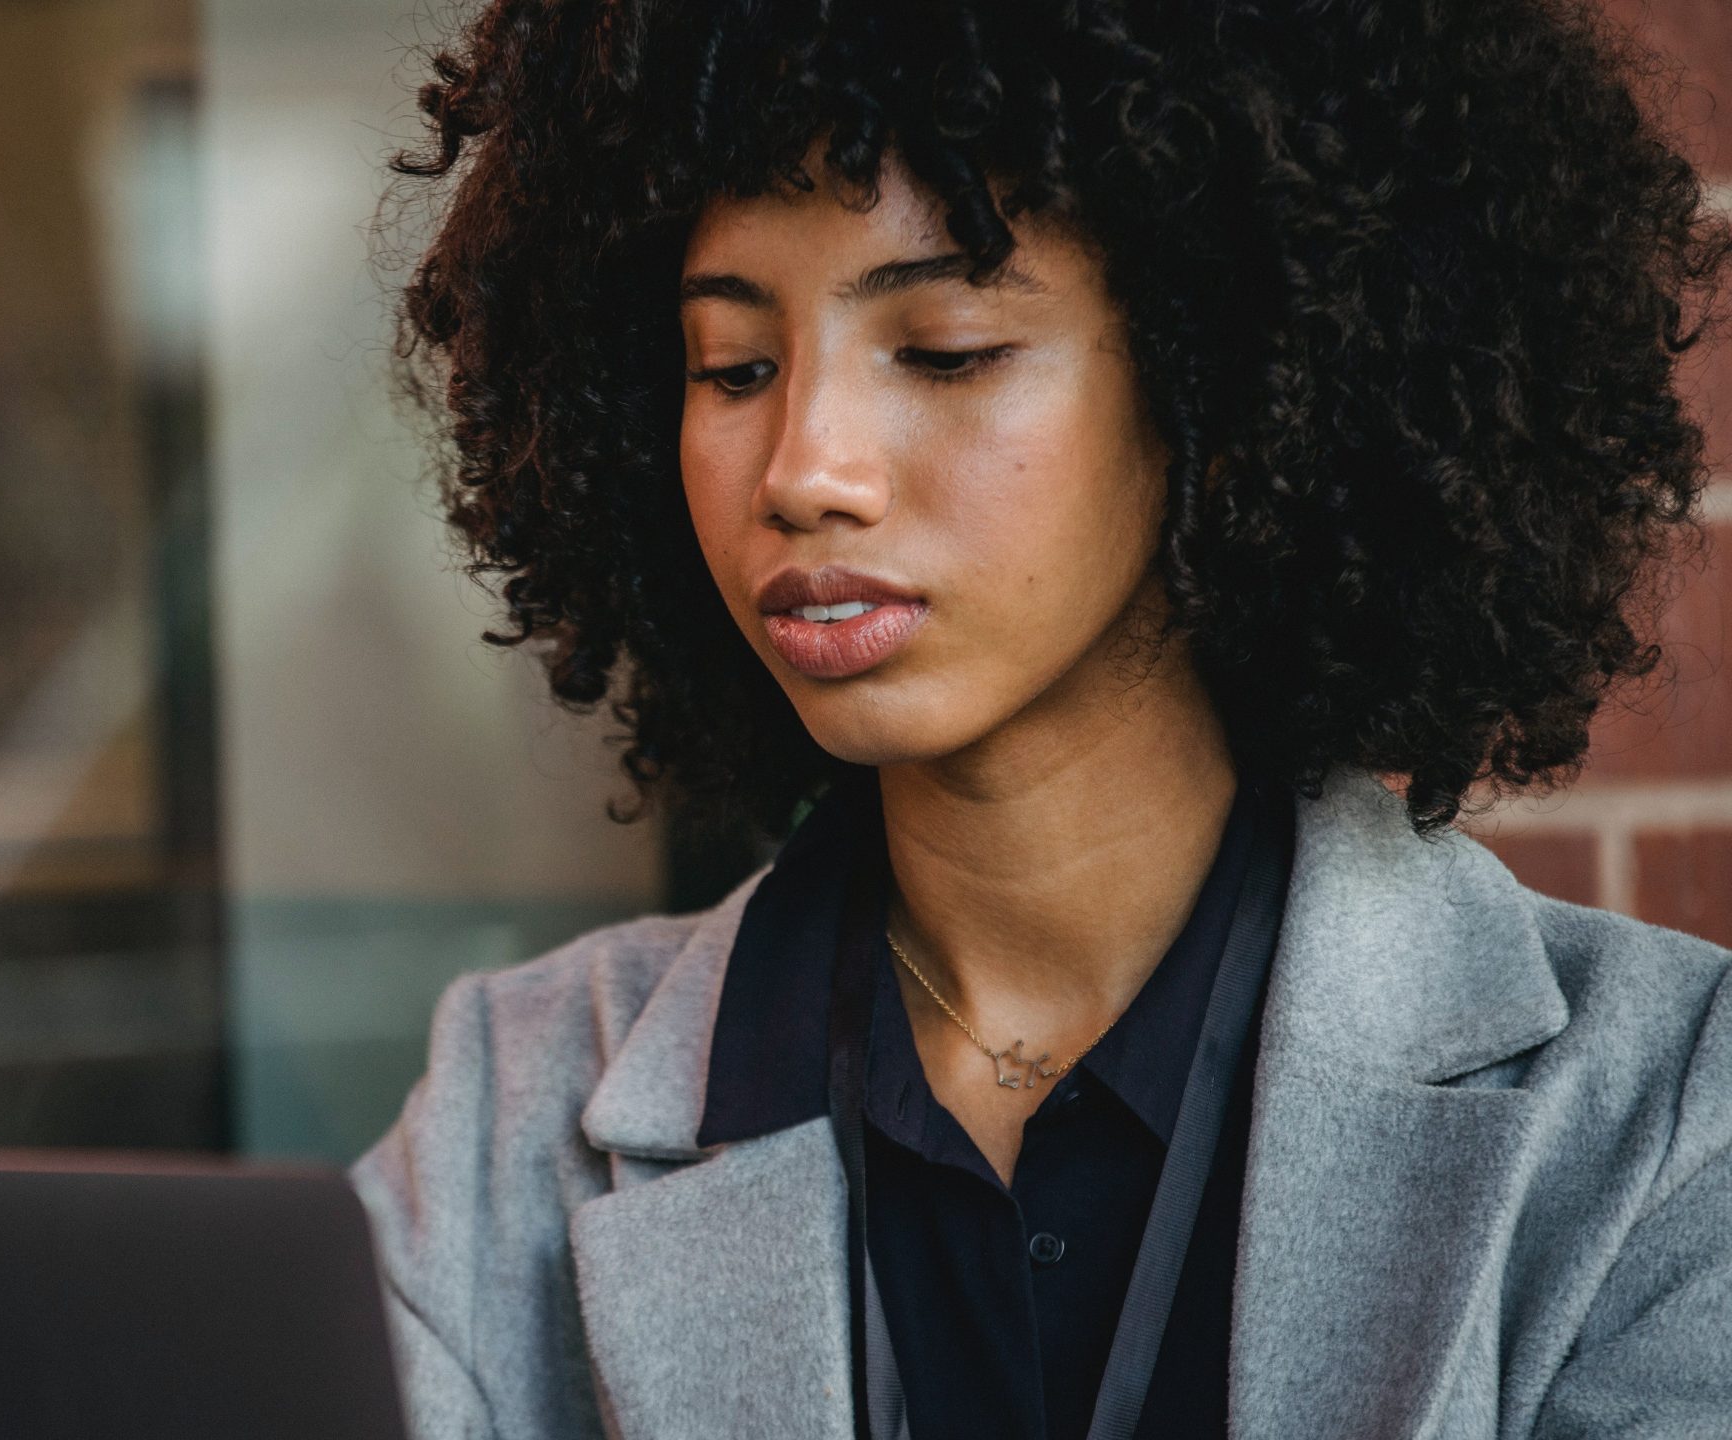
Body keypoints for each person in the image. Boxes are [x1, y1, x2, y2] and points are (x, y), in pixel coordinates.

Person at [348, 0, 1732, 1437]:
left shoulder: (1665, 1122)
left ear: (1228, 384)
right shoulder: (512, 1109)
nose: (805, 469)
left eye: (946, 349)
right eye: (733, 369)